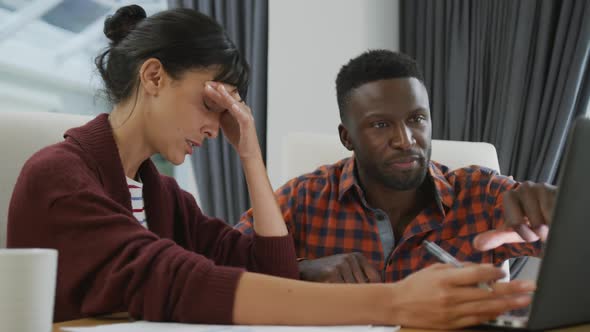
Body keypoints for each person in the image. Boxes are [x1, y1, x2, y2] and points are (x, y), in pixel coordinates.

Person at [7, 6, 535, 329]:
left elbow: (267, 267)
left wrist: (250, 154)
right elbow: (177, 280)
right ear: (153, 77)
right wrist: (396, 300)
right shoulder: (60, 175)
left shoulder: (163, 196)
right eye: (211, 103)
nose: (217, 126)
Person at [236, 50, 555, 283]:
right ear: (347, 138)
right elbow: (221, 260)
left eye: (417, 119)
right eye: (380, 125)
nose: (405, 139)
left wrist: (567, 208)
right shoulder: (304, 198)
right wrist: (301, 270)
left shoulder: (483, 195)